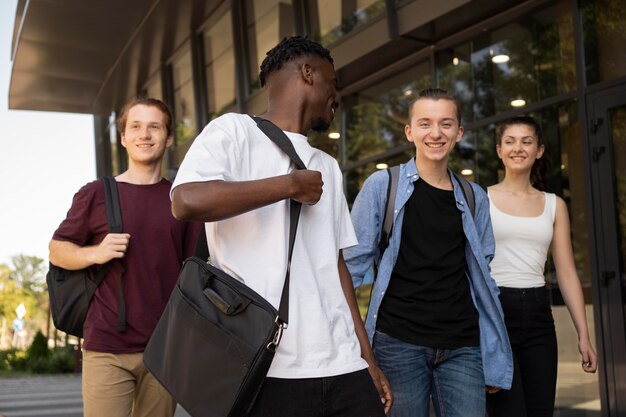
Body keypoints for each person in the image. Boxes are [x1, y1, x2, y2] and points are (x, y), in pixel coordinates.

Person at [170, 36, 392, 417]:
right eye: (333, 83)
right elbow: (186, 200)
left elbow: (335, 265)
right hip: (264, 364)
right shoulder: (234, 132)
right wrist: (288, 185)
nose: (335, 96)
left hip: (342, 363)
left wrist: (366, 357)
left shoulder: (328, 165)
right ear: (308, 73)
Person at [344, 88, 513, 417]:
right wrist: (354, 346)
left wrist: (493, 351)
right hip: (397, 343)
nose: (436, 133)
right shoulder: (383, 186)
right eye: (425, 124)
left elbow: (483, 274)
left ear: (459, 132)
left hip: (463, 345)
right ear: (410, 131)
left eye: (446, 124)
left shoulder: (473, 195)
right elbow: (350, 268)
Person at [49, 97, 200, 417]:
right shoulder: (96, 193)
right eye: (136, 126)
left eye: (154, 127)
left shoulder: (181, 201)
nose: (144, 134)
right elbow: (57, 250)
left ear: (169, 137)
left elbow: (192, 274)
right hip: (107, 348)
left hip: (163, 349)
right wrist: (96, 252)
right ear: (123, 137)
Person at [486, 116, 597, 417]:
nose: (517, 148)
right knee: (506, 410)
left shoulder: (554, 204)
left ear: (539, 150)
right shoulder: (481, 199)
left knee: (540, 410)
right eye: (510, 141)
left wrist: (583, 335)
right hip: (496, 312)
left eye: (526, 141)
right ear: (499, 150)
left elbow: (566, 272)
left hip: (538, 314)